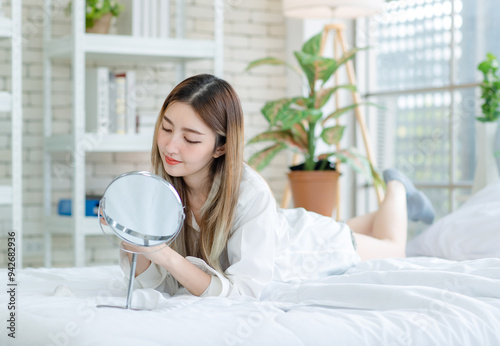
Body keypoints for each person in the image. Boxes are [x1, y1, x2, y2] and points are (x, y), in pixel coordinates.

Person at [120, 74, 435, 298]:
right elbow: (152, 283)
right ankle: (388, 204)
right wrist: (134, 240)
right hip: (280, 227)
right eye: (166, 128)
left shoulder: (249, 192)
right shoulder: (164, 187)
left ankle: (397, 189)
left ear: (221, 147)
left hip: (306, 247)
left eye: (190, 139)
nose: (171, 147)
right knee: (348, 227)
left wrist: (165, 254)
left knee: (392, 246)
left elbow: (242, 292)